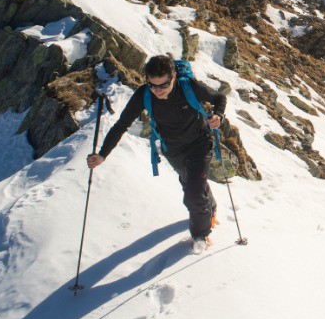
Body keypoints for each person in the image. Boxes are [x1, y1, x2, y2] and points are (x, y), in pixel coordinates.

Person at [88, 55, 226, 253]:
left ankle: (201, 235)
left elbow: (220, 98)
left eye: (163, 85)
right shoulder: (144, 95)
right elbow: (122, 124)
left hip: (199, 142)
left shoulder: (189, 87)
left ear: (173, 78)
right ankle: (209, 207)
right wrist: (102, 154)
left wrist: (218, 115)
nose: (158, 91)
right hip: (173, 149)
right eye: (153, 85)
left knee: (193, 194)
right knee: (191, 182)